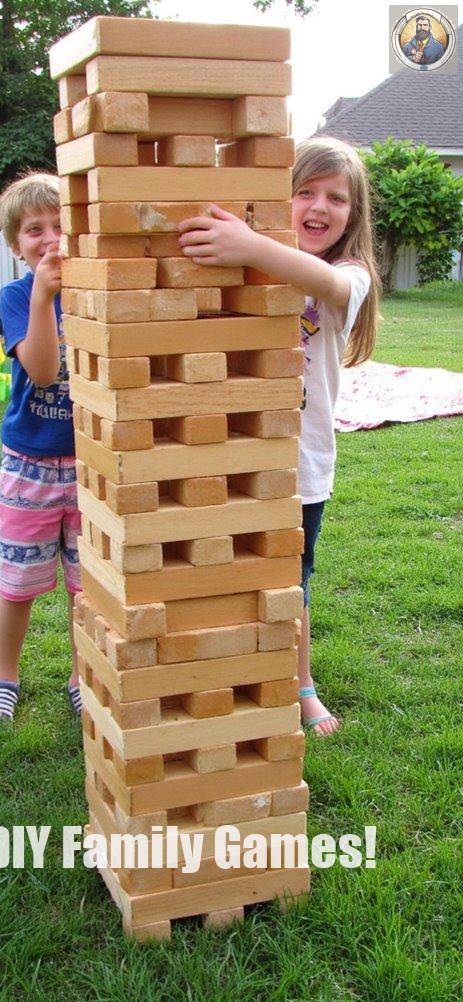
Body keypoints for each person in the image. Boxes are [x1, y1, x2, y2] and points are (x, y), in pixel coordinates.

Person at [177, 137, 379, 736]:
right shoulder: (250, 261)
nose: (319, 207)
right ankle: (235, 667)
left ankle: (301, 683)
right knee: (226, 565)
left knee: (291, 580)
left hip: (300, 464)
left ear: (353, 215)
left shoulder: (350, 273)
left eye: (336, 198)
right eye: (305, 192)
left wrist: (249, 242)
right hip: (233, 449)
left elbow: (326, 284)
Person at [0, 172, 82, 728]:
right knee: (18, 583)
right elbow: (42, 371)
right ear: (16, 244)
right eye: (34, 229)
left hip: (92, 467)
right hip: (31, 465)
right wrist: (44, 294)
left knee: (86, 586)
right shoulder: (16, 296)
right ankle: (5, 678)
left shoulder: (98, 289)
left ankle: (80, 675)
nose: (49, 238)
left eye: (61, 225)